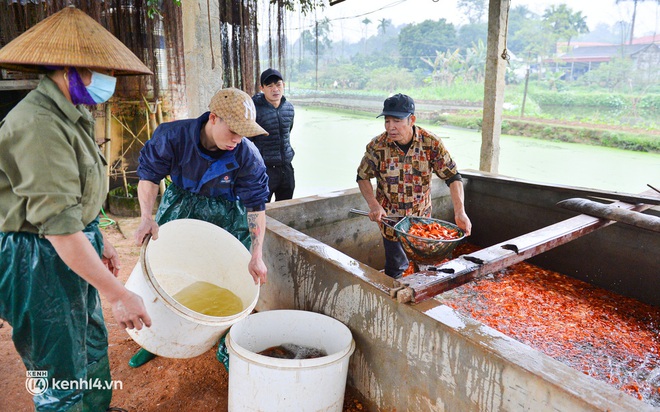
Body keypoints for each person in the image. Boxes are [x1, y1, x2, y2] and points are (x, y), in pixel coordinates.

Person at [0, 6, 152, 411]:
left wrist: (97, 235)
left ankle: (98, 408)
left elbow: (76, 203)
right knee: (58, 365)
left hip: (70, 245)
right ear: (72, 69)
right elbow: (58, 227)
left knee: (88, 340)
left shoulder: (72, 115)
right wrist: (118, 294)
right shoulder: (38, 125)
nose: (110, 83)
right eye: (105, 73)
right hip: (37, 258)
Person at [129, 87, 270, 367]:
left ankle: (224, 344)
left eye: (243, 133)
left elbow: (256, 206)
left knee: (230, 274)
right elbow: (148, 175)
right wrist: (147, 217)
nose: (237, 139)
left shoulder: (247, 155)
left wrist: (256, 254)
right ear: (214, 118)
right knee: (163, 266)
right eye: (233, 131)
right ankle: (155, 336)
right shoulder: (172, 136)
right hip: (181, 202)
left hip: (228, 212)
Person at [356, 93, 472, 279]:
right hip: (390, 220)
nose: (390, 127)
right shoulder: (377, 146)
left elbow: (453, 176)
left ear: (412, 120)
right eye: (387, 120)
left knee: (425, 267)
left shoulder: (430, 143)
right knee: (395, 268)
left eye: (397, 120)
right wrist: (374, 205)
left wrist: (460, 212)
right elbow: (362, 177)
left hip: (421, 221)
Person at [252, 68, 296, 202]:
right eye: (270, 86)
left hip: (286, 168)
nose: (275, 89)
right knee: (262, 208)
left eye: (278, 84)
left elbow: (287, 132)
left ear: (283, 85)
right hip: (265, 169)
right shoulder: (254, 109)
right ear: (262, 88)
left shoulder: (289, 108)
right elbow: (247, 140)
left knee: (286, 207)